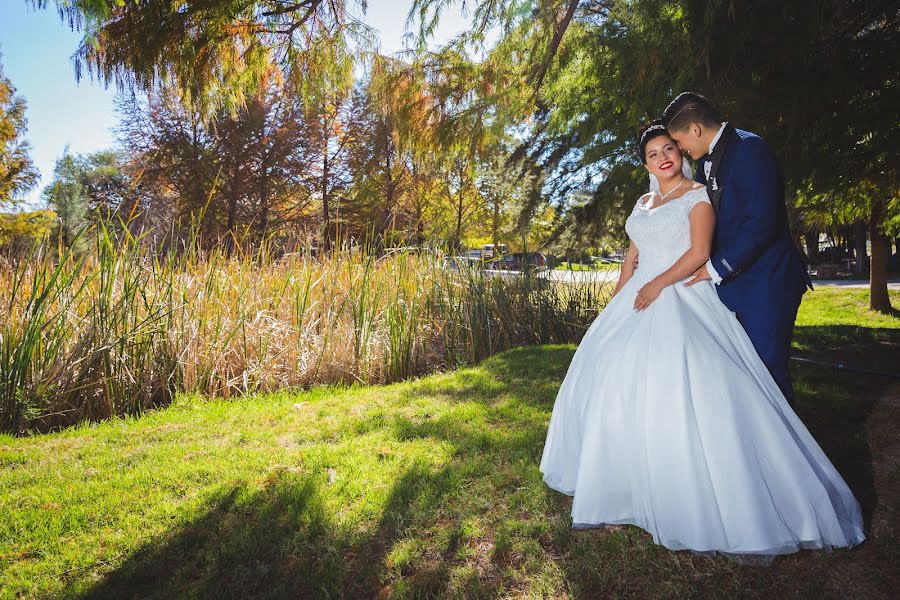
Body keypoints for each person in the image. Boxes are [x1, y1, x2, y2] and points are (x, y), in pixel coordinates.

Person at [538, 121, 864, 559]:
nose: (663, 158)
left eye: (669, 148)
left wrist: (657, 286)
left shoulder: (697, 197)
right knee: (615, 379)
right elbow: (632, 256)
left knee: (689, 384)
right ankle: (625, 478)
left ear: (681, 150)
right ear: (646, 163)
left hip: (680, 293)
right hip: (635, 299)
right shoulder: (642, 201)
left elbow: (697, 253)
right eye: (653, 154)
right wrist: (618, 300)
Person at [662, 92, 812, 407]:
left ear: (695, 129)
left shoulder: (750, 149)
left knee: (768, 375)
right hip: (733, 287)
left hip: (768, 283)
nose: (681, 149)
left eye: (679, 141)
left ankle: (783, 453)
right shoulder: (704, 164)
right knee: (741, 376)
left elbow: (762, 222)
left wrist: (717, 268)